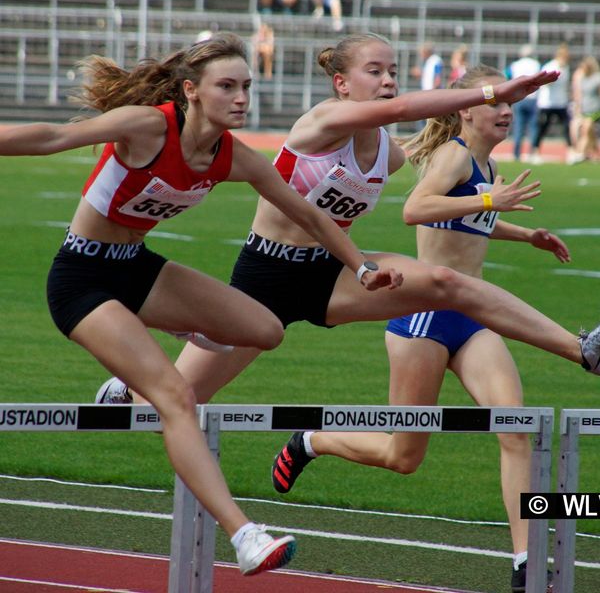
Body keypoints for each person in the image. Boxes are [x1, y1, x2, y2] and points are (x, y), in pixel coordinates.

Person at [96, 32, 599, 563]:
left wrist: (501, 198)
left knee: (449, 286)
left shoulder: (391, 154)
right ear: (341, 83)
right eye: (374, 71)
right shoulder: (321, 122)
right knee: (181, 399)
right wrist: (489, 93)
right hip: (265, 280)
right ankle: (128, 390)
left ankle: (582, 348)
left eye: (392, 71)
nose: (388, 81)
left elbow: (434, 170)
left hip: (334, 274)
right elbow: (409, 111)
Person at [0, 32, 409, 577]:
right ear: (191, 91)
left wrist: (359, 266)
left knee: (264, 329)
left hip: (137, 268)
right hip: (82, 277)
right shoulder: (148, 126)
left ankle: (129, 375)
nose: (241, 97)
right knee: (174, 394)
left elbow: (310, 215)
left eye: (247, 86)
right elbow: (51, 136)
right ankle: (244, 535)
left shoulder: (234, 156)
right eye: (227, 86)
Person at [271, 64, 562, 592]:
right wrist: (493, 201)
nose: (505, 112)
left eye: (510, 107)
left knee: (515, 429)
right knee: (404, 457)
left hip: (472, 321)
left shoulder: (485, 165)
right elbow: (417, 209)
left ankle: (526, 561)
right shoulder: (454, 155)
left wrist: (525, 234)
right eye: (497, 104)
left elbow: (468, 221)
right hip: (424, 319)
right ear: (466, 109)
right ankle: (311, 441)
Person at [530, 43, 574, 164]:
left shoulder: (566, 68)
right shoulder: (551, 66)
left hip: (561, 102)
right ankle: (535, 152)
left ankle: (570, 152)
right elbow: (543, 83)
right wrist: (551, 80)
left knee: (566, 127)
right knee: (543, 127)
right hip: (547, 103)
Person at [506, 44, 541, 161]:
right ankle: (532, 152)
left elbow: (507, 76)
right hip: (533, 97)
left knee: (519, 126)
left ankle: (516, 154)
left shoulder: (515, 65)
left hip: (519, 98)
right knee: (533, 127)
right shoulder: (536, 64)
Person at [572, 56, 600, 162]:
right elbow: (579, 94)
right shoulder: (583, 78)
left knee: (586, 130)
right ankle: (593, 152)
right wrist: (578, 108)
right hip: (585, 109)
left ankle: (579, 153)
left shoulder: (597, 78)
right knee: (590, 133)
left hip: (595, 109)